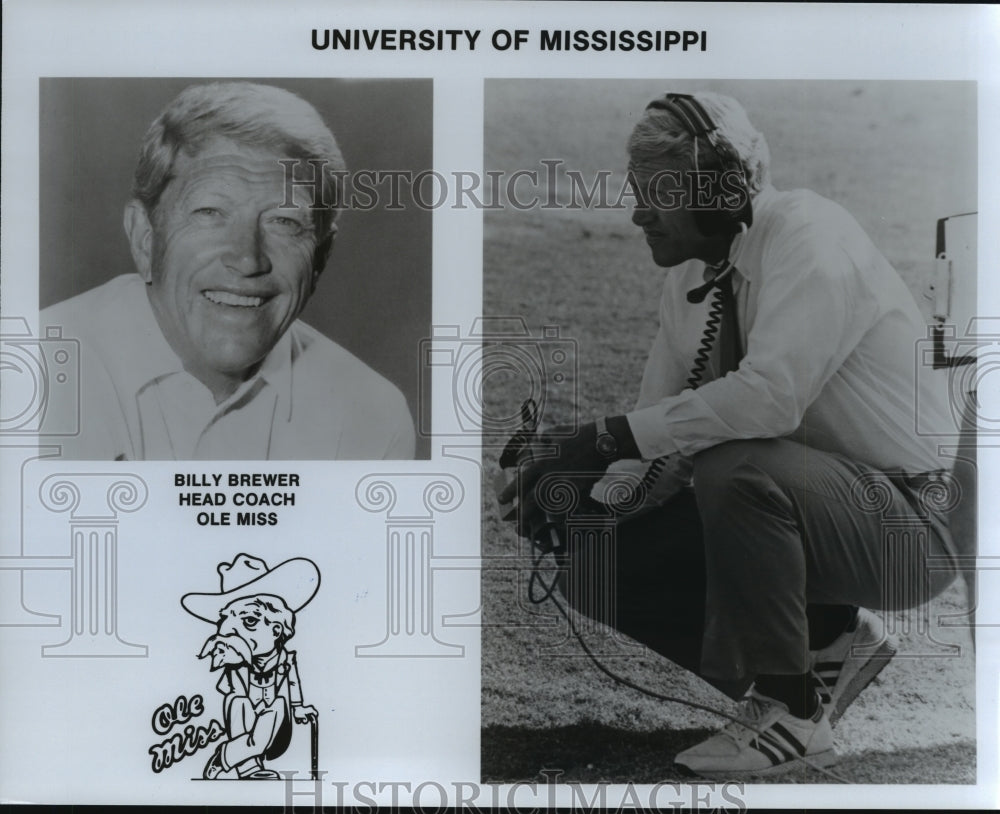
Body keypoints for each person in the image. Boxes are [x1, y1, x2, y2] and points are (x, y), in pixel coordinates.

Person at [500, 91, 962, 778]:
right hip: (822, 506)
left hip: (916, 527)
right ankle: (831, 637)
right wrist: (583, 494)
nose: (637, 214)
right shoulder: (689, 276)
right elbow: (651, 433)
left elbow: (767, 402)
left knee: (737, 467)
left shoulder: (812, 237)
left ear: (720, 191)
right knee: (596, 559)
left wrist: (601, 440)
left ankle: (794, 713)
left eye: (656, 196)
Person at [41, 81, 416, 460]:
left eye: (283, 221)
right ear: (144, 237)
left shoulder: (371, 418)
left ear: (321, 255)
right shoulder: (35, 373)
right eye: (209, 213)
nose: (248, 259)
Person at [182, 554, 320, 780]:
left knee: (276, 708)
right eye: (228, 623)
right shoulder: (236, 663)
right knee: (239, 703)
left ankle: (223, 757)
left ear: (276, 630)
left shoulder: (286, 659)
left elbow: (293, 684)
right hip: (243, 716)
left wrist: (298, 707)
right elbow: (235, 694)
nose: (234, 632)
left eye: (249, 622)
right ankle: (248, 768)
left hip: (275, 725)